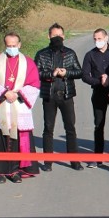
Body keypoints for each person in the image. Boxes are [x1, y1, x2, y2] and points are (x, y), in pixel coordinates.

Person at [0, 32, 41, 184]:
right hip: (2, 104)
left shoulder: (28, 62)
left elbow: (34, 84)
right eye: (8, 46)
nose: (11, 48)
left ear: (19, 45)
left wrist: (18, 94)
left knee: (15, 140)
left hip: (19, 105)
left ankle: (15, 171)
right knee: (1, 139)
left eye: (14, 46)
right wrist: (4, 93)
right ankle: (1, 172)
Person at [35, 23, 84, 171]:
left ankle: (74, 161)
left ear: (64, 36)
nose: (57, 38)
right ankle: (48, 162)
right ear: (49, 36)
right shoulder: (41, 54)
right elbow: (35, 73)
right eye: (54, 35)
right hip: (49, 96)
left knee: (70, 128)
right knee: (48, 129)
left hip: (66, 95)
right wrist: (51, 73)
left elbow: (79, 72)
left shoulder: (70, 53)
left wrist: (67, 72)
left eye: (59, 35)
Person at [81, 28, 109, 168]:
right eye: (95, 39)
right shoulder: (90, 55)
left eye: (99, 38)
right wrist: (98, 81)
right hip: (98, 94)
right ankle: (97, 157)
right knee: (99, 125)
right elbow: (85, 75)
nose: (97, 41)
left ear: (106, 38)